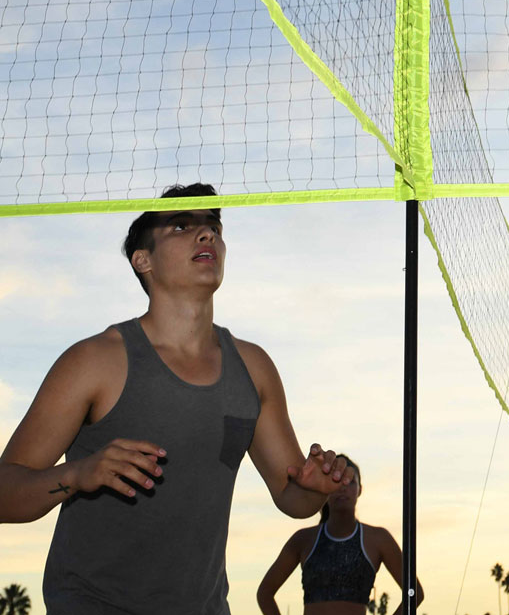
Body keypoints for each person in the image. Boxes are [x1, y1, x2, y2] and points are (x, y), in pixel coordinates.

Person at [0, 183, 354, 615]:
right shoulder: (93, 360)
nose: (207, 235)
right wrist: (77, 474)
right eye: (183, 225)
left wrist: (314, 489)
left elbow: (292, 500)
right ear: (142, 260)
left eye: (213, 226)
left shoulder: (254, 368)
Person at [256, 455, 420, 615]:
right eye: (336, 481)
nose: (342, 488)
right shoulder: (304, 540)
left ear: (360, 489)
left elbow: (414, 593)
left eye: (350, 482)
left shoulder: (378, 539)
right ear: (325, 488)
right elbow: (265, 593)